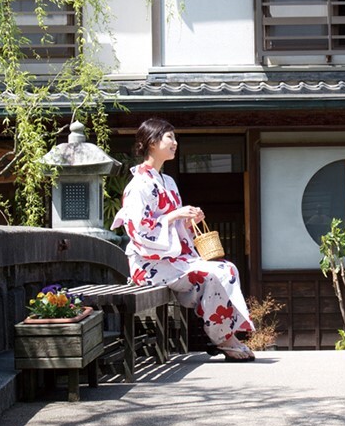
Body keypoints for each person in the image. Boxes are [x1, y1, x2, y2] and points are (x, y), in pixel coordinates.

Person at [110, 118, 256, 362]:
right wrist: (175, 214)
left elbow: (175, 228)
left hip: (171, 259)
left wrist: (188, 220)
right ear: (153, 142)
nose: (175, 143)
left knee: (226, 268)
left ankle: (224, 335)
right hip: (149, 263)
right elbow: (138, 229)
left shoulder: (168, 182)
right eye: (170, 137)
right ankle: (223, 339)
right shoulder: (137, 186)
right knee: (215, 273)